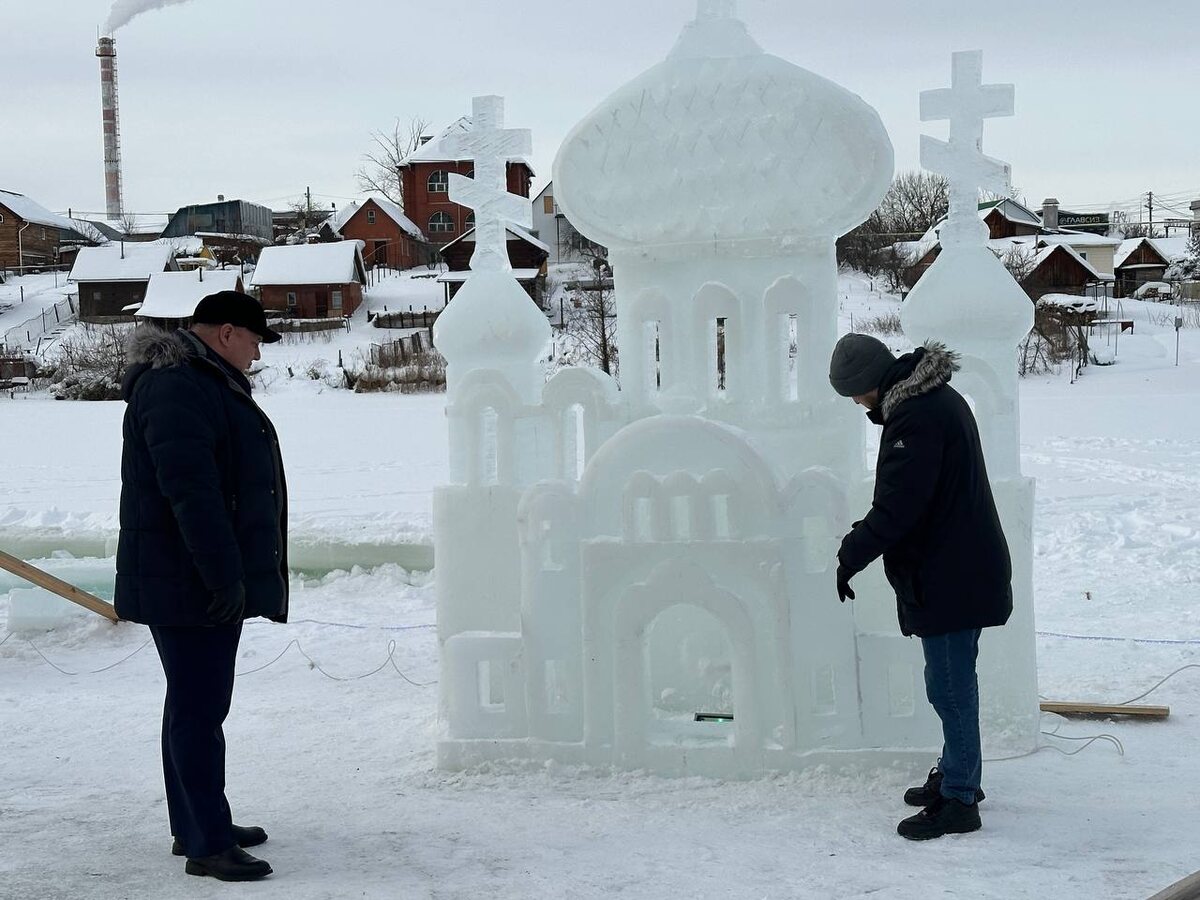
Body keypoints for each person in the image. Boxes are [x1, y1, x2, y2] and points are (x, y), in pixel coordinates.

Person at [115, 290, 287, 881]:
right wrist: (223, 576)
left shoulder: (199, 380)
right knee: (199, 709)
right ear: (227, 333)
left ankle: (196, 821)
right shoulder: (177, 387)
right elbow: (192, 493)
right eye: (255, 341)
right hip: (188, 579)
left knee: (192, 704)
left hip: (189, 575)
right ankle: (207, 843)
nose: (257, 354)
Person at [828, 333, 1012, 842]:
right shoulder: (929, 400)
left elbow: (898, 508)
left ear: (869, 382)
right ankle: (957, 774)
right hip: (957, 566)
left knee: (951, 689)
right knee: (949, 683)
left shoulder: (915, 416)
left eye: (854, 393)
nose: (856, 403)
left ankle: (960, 799)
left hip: (951, 573)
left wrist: (850, 554)